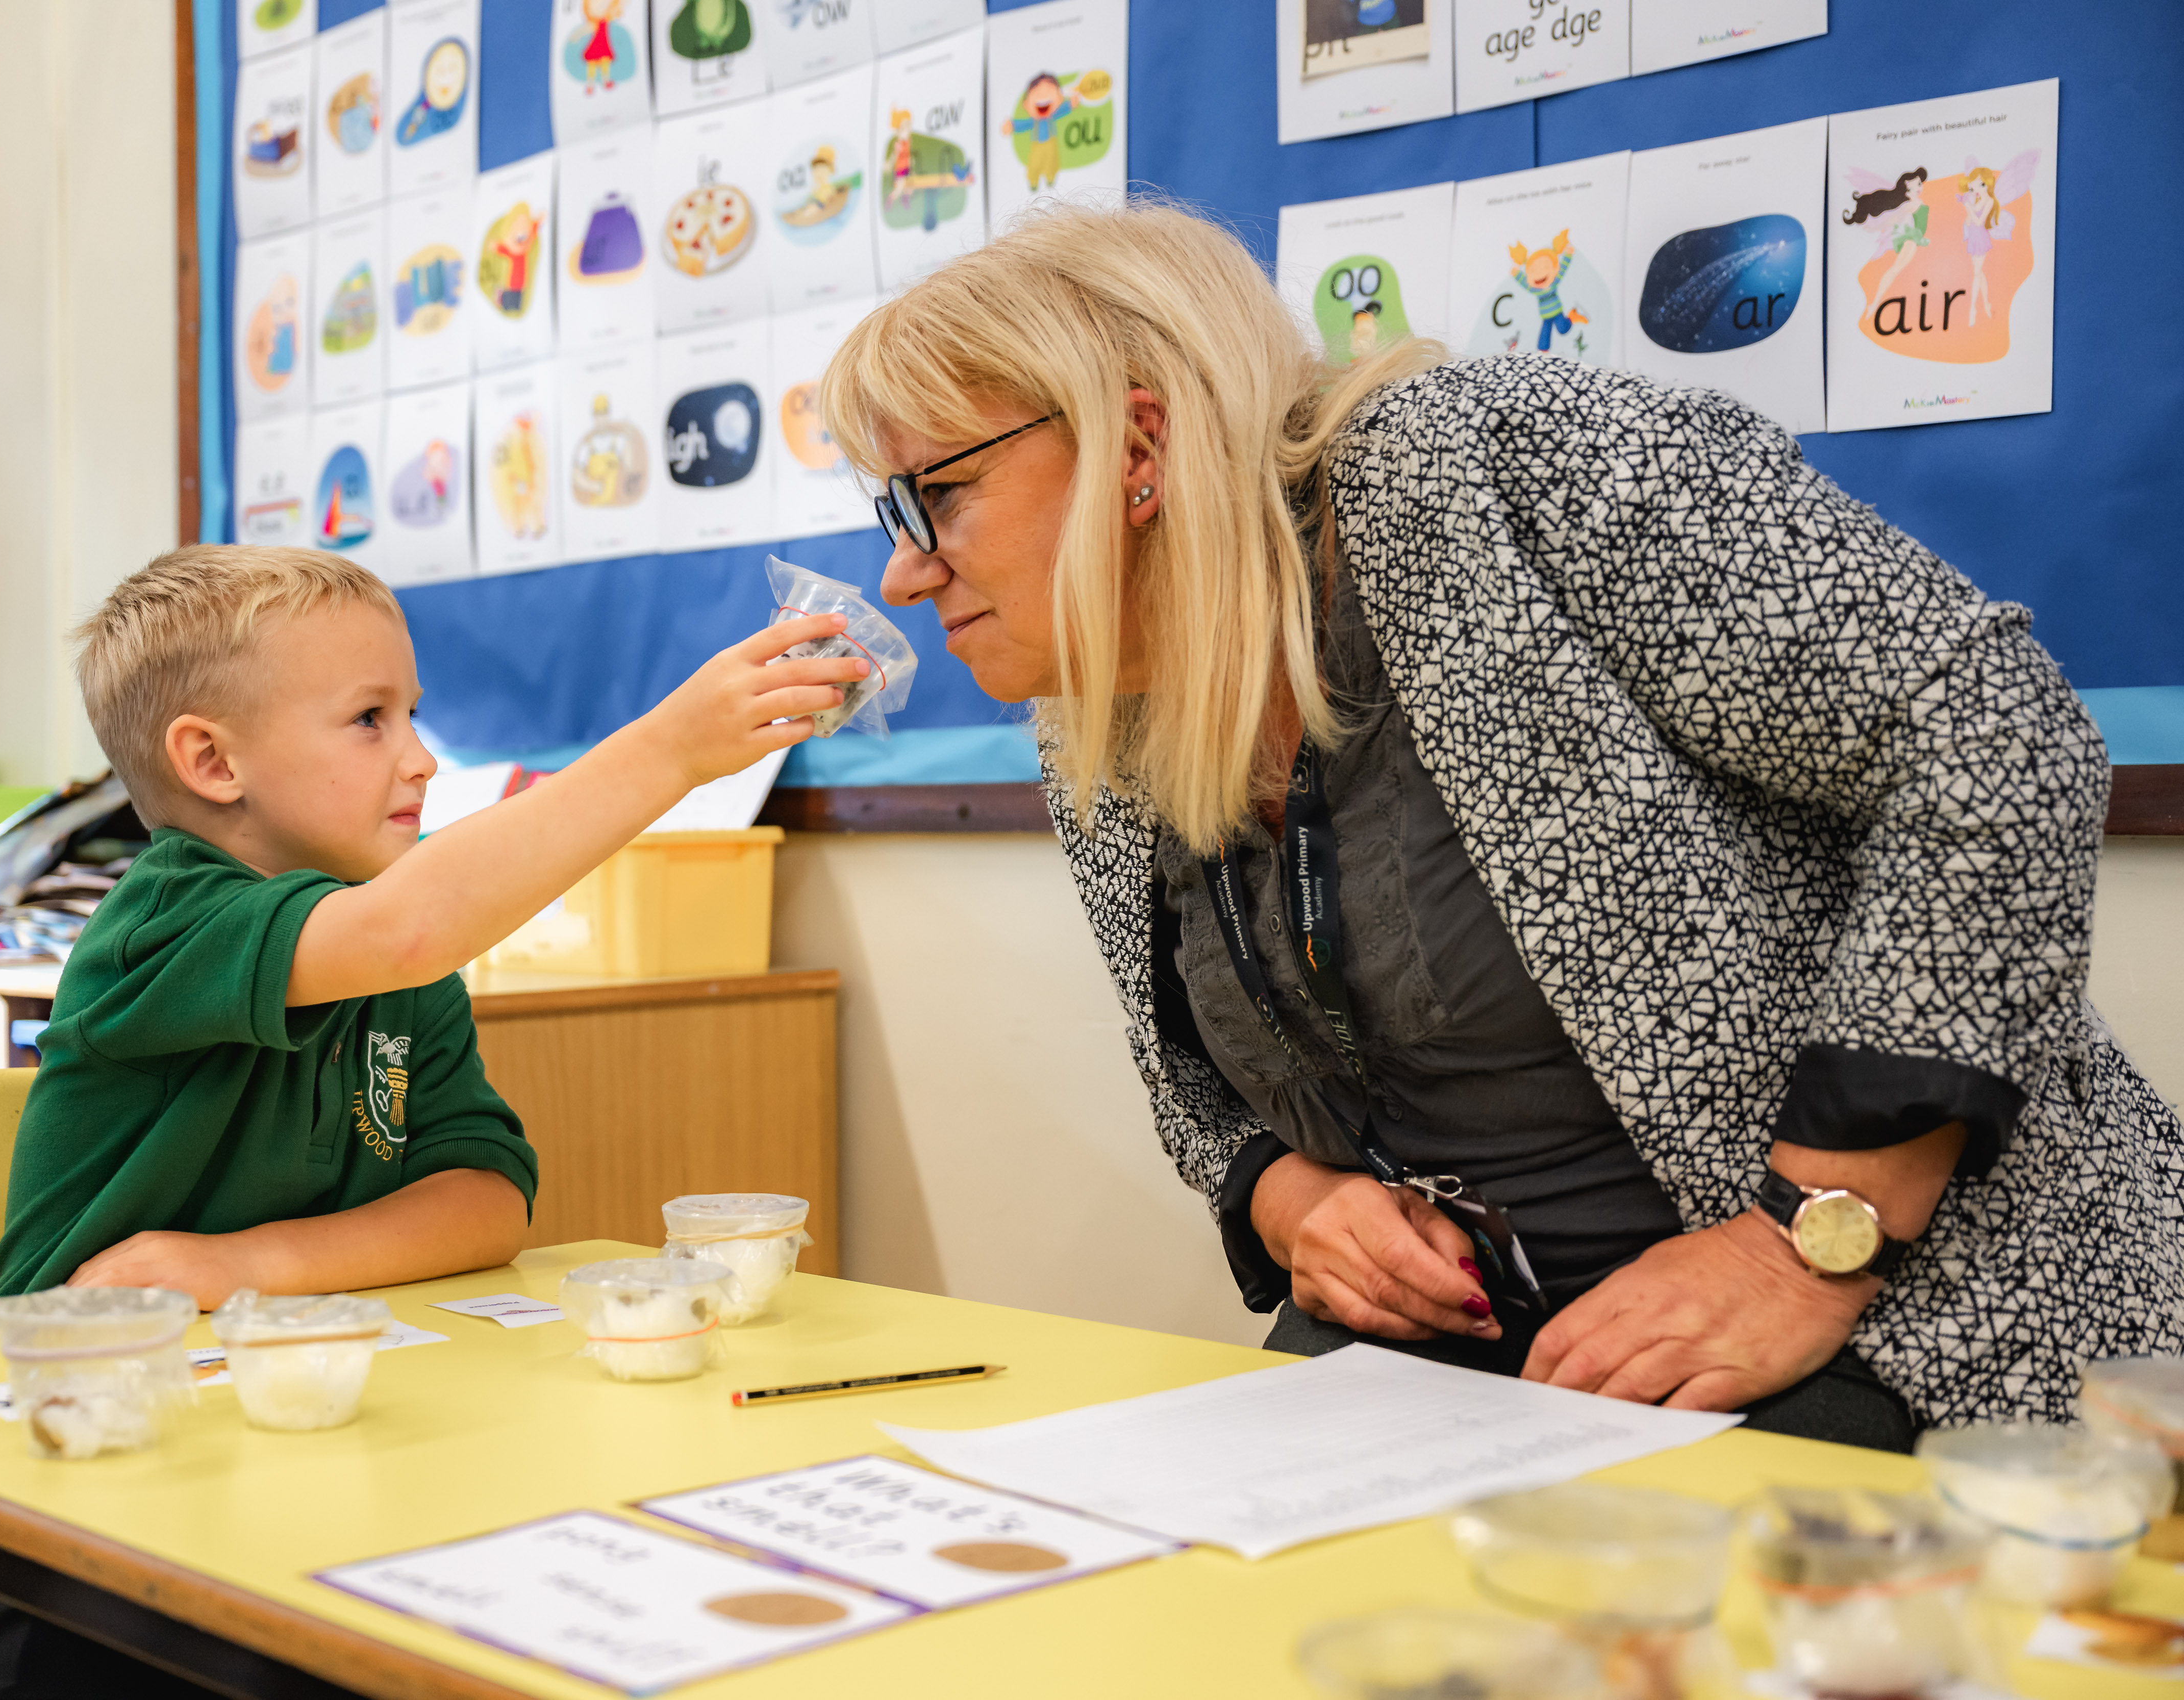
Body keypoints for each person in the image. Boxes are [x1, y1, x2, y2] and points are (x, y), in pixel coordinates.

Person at [816, 199, 2184, 1449]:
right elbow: (1197, 1087)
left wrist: (1804, 1241)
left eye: (936, 493)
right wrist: (1287, 1195)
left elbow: (1991, 724)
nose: (902, 566)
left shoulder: (1492, 465)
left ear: (1140, 441)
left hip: (1868, 1315)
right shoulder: (1104, 697)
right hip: (1456, 1364)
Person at [0, 545, 867, 1698]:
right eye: (369, 719)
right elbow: (410, 928)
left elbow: (486, 1197)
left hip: (275, 1480)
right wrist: (670, 749)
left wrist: (235, 1266)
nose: (420, 758)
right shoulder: (159, 923)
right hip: (51, 1511)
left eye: (414, 713)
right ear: (212, 760)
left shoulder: (398, 962)